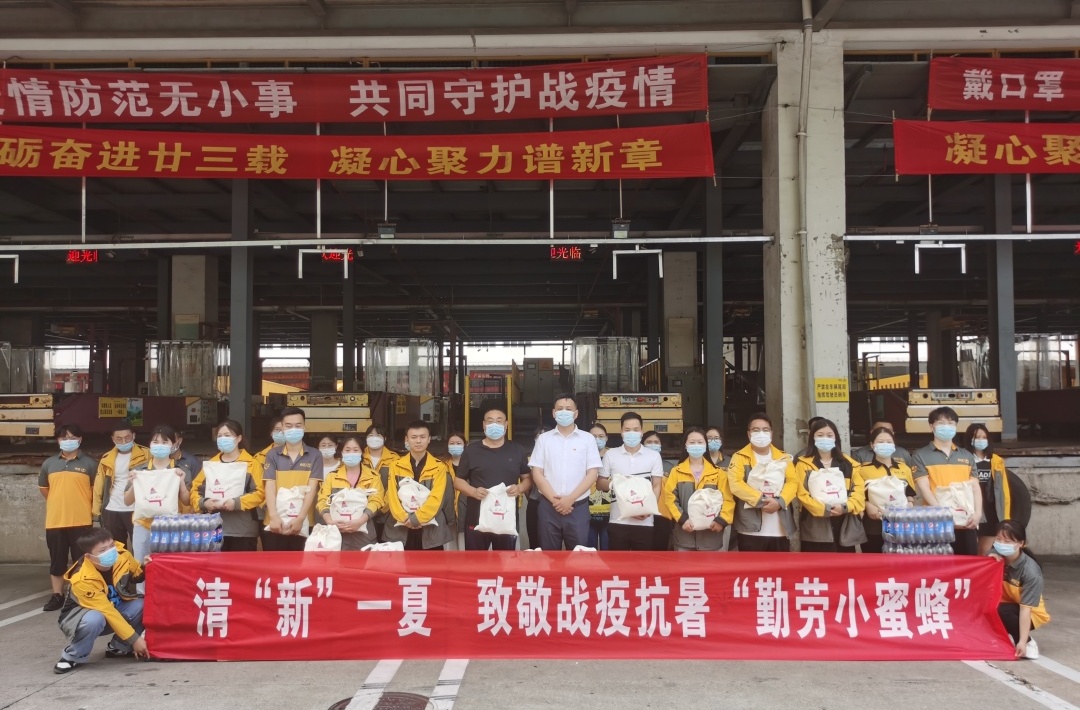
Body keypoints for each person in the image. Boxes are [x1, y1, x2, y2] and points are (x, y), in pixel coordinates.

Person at [53, 528, 148, 674]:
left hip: (113, 609)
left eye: (111, 545)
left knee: (143, 605)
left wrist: (147, 566)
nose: (110, 551)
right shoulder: (82, 579)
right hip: (82, 618)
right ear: (89, 556)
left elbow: (137, 574)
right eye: (103, 550)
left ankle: (118, 647)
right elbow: (107, 611)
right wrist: (135, 639)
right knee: (95, 619)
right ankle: (73, 656)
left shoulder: (122, 556)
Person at [529, 394, 602, 550]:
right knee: (549, 556)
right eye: (560, 409)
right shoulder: (544, 439)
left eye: (568, 409)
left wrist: (571, 499)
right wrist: (556, 501)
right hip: (548, 507)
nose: (564, 412)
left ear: (576, 414)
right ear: (554, 413)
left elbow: (592, 473)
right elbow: (537, 472)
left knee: (578, 556)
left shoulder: (588, 439)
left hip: (578, 507)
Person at [453, 406, 532, 550]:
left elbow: (527, 478)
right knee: (476, 561)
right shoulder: (471, 450)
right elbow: (458, 481)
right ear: (484, 425)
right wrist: (473, 491)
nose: (494, 425)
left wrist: (520, 488)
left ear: (506, 425)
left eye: (499, 421)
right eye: (490, 421)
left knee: (505, 560)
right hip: (476, 518)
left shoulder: (517, 450)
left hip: (506, 519)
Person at [39, 424, 98, 612]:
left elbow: (96, 492)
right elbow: (45, 490)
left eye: (72, 438)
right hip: (55, 521)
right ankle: (57, 595)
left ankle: (81, 595)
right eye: (64, 438)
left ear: (80, 439)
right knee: (57, 560)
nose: (68, 441)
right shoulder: (49, 464)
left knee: (81, 561)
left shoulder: (90, 464)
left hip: (81, 521)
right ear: (58, 440)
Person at [911, 406, 982, 555]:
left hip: (965, 520)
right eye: (941, 423)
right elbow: (924, 488)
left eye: (951, 423)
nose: (947, 427)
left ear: (956, 426)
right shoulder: (920, 455)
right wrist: (942, 512)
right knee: (940, 564)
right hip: (936, 521)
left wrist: (977, 514)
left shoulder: (967, 456)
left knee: (968, 562)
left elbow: (975, 487)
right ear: (931, 426)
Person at [189, 420, 266, 552]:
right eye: (220, 436)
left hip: (243, 530)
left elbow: (260, 492)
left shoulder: (252, 464)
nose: (223, 439)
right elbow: (195, 489)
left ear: (239, 438)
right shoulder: (211, 464)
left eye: (227, 435)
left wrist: (236, 503)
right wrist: (203, 503)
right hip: (213, 527)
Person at [727, 413, 799, 552]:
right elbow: (735, 484)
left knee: (779, 566)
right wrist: (761, 500)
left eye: (765, 430)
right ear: (749, 434)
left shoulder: (783, 457)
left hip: (780, 528)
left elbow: (793, 482)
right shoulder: (739, 457)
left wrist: (779, 502)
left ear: (771, 433)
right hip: (749, 529)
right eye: (756, 430)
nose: (761, 433)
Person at [124, 425, 190, 574]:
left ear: (173, 445)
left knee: (169, 567)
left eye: (165, 442)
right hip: (143, 525)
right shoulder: (139, 470)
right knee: (142, 567)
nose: (159, 445)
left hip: (170, 527)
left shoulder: (180, 469)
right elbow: (127, 501)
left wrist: (181, 482)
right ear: (150, 444)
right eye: (155, 442)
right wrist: (134, 484)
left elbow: (186, 501)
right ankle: (142, 589)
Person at [795, 418, 865, 553]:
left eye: (829, 435)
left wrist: (845, 507)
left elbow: (859, 491)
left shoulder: (850, 464)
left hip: (844, 524)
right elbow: (801, 494)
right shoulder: (802, 464)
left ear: (836, 438)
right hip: (815, 526)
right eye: (820, 435)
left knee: (844, 564)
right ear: (812, 438)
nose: (825, 439)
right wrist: (824, 509)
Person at [598, 412, 664, 551]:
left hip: (645, 522)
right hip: (617, 521)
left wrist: (647, 510)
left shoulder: (653, 456)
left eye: (636, 429)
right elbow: (600, 483)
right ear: (621, 432)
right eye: (627, 430)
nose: (631, 433)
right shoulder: (611, 454)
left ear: (642, 432)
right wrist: (614, 484)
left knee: (643, 563)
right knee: (618, 563)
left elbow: (657, 485)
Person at [262, 407, 324, 551]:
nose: (293, 429)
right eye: (288, 426)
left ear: (304, 427)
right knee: (275, 563)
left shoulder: (315, 455)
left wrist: (300, 518)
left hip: (303, 522)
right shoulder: (272, 454)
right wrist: (273, 516)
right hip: (275, 522)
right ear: (282, 428)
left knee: (301, 564)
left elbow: (312, 489)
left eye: (298, 425)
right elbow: (269, 486)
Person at [385, 420, 454, 550]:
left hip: (430, 529)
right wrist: (405, 518)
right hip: (401, 527)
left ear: (429, 439)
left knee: (430, 563)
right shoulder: (395, 465)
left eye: (422, 437)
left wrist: (417, 519)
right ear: (406, 439)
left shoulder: (439, 467)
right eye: (414, 437)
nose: (418, 441)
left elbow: (437, 498)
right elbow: (392, 496)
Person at [662, 427, 734, 551]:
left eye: (700, 442)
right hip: (684, 538)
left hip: (711, 537)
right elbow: (670, 498)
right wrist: (682, 519)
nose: (696, 445)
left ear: (705, 445)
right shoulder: (676, 471)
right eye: (692, 442)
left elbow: (728, 500)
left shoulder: (718, 473)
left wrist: (721, 520)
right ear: (685, 445)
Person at [990, 520, 1050, 660]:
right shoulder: (994, 555)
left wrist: (1022, 641)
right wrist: (987, 562)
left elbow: (1025, 609)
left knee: (1003, 611)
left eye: (1007, 541)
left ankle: (1028, 642)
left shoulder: (1030, 572)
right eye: (998, 539)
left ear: (1021, 543)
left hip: (1030, 612)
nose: (1001, 544)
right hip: (1004, 604)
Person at [852, 426, 917, 553]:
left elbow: (910, 493)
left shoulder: (904, 468)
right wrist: (867, 505)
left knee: (900, 560)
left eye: (889, 442)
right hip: (874, 526)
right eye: (880, 442)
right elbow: (858, 495)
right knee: (874, 560)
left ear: (894, 445)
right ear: (872, 445)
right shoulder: (862, 470)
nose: (885, 445)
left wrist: (910, 503)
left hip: (900, 525)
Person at [318, 435, 384, 550]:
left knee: (365, 560)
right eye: (347, 450)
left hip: (364, 533)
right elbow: (322, 500)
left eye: (355, 450)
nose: (351, 453)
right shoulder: (332, 477)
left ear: (362, 452)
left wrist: (360, 521)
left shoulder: (373, 476)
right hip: (337, 533)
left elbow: (376, 501)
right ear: (342, 452)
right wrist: (330, 521)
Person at [92, 420, 148, 551]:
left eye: (127, 437)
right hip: (113, 509)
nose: (123, 441)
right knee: (117, 550)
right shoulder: (107, 458)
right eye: (119, 439)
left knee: (140, 548)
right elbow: (99, 485)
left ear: (134, 436)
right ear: (113, 439)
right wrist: (96, 510)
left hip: (137, 508)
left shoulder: (147, 454)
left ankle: (138, 566)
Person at [965, 423, 1013, 556]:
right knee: (971, 551)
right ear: (969, 439)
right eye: (977, 437)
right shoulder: (963, 460)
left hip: (991, 513)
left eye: (984, 437)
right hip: (971, 511)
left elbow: (1004, 491)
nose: (981, 440)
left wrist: (1005, 517)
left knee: (985, 552)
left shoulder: (996, 461)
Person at [363, 423, 399, 542]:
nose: (374, 438)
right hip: (362, 510)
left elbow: (396, 485)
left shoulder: (395, 459)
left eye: (378, 435)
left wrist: (382, 506)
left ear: (385, 438)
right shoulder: (359, 456)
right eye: (370, 435)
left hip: (387, 511)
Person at [643, 430, 675, 551]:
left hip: (663, 515)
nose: (653, 444)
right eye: (649, 442)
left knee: (660, 552)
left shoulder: (669, 467)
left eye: (656, 442)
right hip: (640, 513)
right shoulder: (637, 465)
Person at [525, 425, 547, 549]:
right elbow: (526, 481)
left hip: (553, 503)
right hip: (535, 501)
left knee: (549, 540)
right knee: (534, 539)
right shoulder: (529, 459)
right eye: (539, 436)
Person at [446, 431, 467, 549]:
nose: (455, 446)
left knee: (465, 546)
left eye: (459, 443)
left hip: (465, 510)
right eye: (452, 443)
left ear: (464, 445)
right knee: (450, 549)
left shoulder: (471, 464)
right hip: (448, 511)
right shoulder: (442, 465)